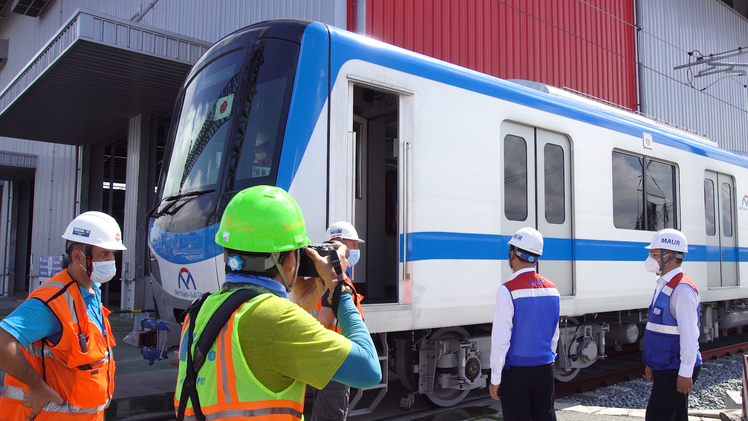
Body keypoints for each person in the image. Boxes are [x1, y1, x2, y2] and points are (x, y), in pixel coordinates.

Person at [174, 185, 381, 421]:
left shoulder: (198, 311)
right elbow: (369, 371)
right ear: (289, 259)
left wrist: (300, 305)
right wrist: (338, 287)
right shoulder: (278, 320)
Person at [0, 211, 126, 421]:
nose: (111, 261)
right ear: (78, 257)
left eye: (113, 254)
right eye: (104, 254)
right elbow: (2, 341)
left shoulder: (92, 292)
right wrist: (37, 387)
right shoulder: (52, 300)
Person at [489, 227, 559, 421]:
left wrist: (495, 378)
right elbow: (554, 335)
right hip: (545, 369)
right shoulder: (552, 289)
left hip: (517, 374)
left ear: (513, 253)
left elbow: (501, 340)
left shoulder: (507, 291)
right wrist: (548, 361)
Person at [642, 229, 701, 421]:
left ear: (669, 255)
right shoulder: (664, 284)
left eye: (654, 253)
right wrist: (651, 363)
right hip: (665, 364)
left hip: (675, 366)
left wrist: (685, 372)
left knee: (657, 416)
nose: (650, 258)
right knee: (676, 416)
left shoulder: (682, 289)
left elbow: (690, 334)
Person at [311, 221, 366, 421]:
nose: (356, 250)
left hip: (330, 360)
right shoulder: (333, 283)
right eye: (353, 245)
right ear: (339, 246)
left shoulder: (328, 279)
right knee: (331, 414)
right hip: (335, 362)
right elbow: (323, 320)